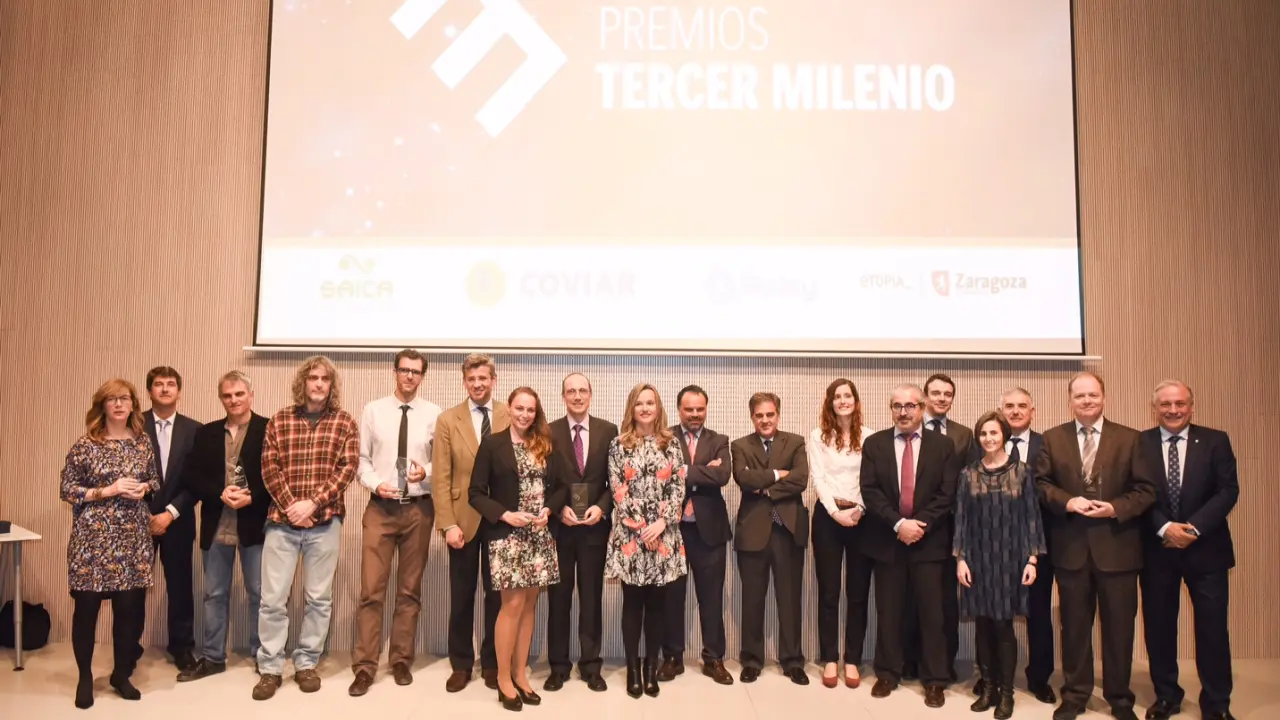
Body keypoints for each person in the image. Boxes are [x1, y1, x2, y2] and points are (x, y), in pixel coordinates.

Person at [1035, 371, 1155, 720]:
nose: (1086, 401)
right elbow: (1040, 484)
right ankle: (1075, 695)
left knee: (1119, 629)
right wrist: (1068, 501)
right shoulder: (1052, 439)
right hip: (1071, 551)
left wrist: (1115, 508)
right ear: (1070, 400)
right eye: (1079, 396)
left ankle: (1119, 698)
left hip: (1118, 550)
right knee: (1074, 628)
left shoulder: (1130, 439)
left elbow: (1146, 490)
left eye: (1092, 395)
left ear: (1104, 397)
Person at [252, 356, 359, 701]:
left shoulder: (344, 422)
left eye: (325, 379)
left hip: (325, 522)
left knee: (319, 599)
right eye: (313, 378)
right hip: (281, 523)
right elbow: (269, 468)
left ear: (331, 385)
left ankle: (306, 662)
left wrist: (312, 503)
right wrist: (292, 506)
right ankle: (270, 667)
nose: (318, 384)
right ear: (303, 382)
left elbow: (347, 469)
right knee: (272, 599)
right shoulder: (280, 420)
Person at [1139, 380, 1238, 720]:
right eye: (1165, 404)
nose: (1173, 410)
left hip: (1207, 551)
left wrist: (1193, 529)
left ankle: (1217, 703)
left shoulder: (1215, 440)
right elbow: (1136, 493)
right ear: (1155, 408)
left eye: (1180, 403)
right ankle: (1167, 697)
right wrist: (1165, 527)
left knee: (1213, 630)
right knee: (1160, 628)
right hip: (1157, 550)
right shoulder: (1139, 443)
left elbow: (1228, 491)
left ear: (1191, 406)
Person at [60, 379, 160, 709]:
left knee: (129, 612)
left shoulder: (143, 442)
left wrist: (144, 489)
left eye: (124, 398)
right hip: (93, 541)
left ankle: (120, 674)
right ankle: (85, 677)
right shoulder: (86, 444)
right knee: (86, 611)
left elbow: (154, 480)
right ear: (102, 405)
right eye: (112, 399)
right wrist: (108, 490)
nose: (118, 404)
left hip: (133, 539)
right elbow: (67, 489)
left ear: (133, 405)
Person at [860, 383, 958, 709]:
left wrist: (919, 525)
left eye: (910, 406)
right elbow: (870, 490)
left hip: (929, 543)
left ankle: (935, 680)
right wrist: (899, 524)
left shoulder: (943, 445)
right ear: (891, 409)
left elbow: (946, 493)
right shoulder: (875, 444)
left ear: (922, 408)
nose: (903, 412)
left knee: (932, 615)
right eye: (897, 406)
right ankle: (888, 673)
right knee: (889, 612)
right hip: (888, 541)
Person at [349, 349, 442, 696]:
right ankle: (365, 666)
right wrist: (377, 484)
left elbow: (442, 461)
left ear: (422, 376)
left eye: (416, 372)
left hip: (418, 509)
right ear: (395, 372)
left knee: (409, 591)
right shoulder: (373, 410)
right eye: (404, 370)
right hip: (381, 509)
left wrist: (425, 471)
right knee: (371, 591)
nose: (409, 377)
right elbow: (361, 460)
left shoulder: (434, 413)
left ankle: (401, 659)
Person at [469, 387, 564, 711]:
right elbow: (475, 493)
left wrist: (548, 510)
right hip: (507, 536)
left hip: (539, 536)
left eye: (530, 410)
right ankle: (503, 679)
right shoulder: (492, 444)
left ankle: (521, 674)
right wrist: (505, 514)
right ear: (508, 409)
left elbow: (562, 487)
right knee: (511, 606)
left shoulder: (545, 444)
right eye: (519, 408)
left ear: (536, 413)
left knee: (529, 605)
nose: (525, 414)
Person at [178, 371, 271, 682]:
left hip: (254, 525)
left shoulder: (268, 429)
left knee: (260, 594)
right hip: (216, 526)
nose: (234, 400)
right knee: (214, 594)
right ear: (221, 399)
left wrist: (252, 496)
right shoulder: (206, 433)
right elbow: (191, 475)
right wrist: (219, 491)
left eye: (239, 394)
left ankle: (263, 657)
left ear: (251, 395)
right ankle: (213, 658)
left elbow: (277, 474)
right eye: (228, 396)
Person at [955, 411, 1046, 719]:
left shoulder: (1022, 471)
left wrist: (1032, 558)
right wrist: (961, 559)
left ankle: (1007, 694)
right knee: (982, 624)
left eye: (994, 433)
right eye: (983, 434)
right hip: (977, 558)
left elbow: (1032, 516)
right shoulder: (968, 473)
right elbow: (961, 519)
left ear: (1005, 435)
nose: (988, 438)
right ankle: (989, 688)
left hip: (1011, 558)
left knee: (1004, 625)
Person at [606, 383, 687, 699]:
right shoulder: (618, 445)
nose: (645, 408)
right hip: (631, 535)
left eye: (650, 403)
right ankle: (633, 669)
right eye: (639, 403)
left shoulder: (671, 443)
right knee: (632, 605)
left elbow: (678, 487)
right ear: (632, 407)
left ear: (658, 407)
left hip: (664, 535)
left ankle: (651, 668)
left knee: (656, 606)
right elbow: (617, 490)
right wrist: (643, 529)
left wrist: (661, 524)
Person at [432, 353, 508, 692]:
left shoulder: (510, 414)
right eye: (472, 379)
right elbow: (441, 477)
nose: (478, 384)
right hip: (462, 520)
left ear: (493, 380)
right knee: (462, 596)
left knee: (498, 596)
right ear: (464, 382)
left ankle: (492, 662)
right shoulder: (448, 420)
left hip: (501, 519)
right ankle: (461, 664)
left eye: (483, 378)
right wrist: (447, 524)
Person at [545, 373, 617, 692]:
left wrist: (601, 507)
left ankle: (591, 666)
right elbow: (543, 480)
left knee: (591, 599)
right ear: (563, 396)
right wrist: (557, 508)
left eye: (582, 390)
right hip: (560, 530)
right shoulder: (548, 432)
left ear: (591, 394)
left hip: (593, 530)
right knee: (559, 599)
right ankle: (558, 666)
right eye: (571, 391)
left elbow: (615, 480)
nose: (577, 396)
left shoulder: (608, 431)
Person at [657, 384, 734, 685]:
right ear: (679, 410)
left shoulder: (719, 440)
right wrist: (703, 470)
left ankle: (713, 659)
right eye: (689, 409)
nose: (694, 414)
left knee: (711, 598)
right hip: (672, 530)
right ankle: (672, 658)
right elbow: (660, 476)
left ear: (706, 409)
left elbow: (722, 475)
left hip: (709, 531)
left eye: (700, 409)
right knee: (671, 597)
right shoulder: (664, 438)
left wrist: (683, 470)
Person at [732, 392, 810, 686]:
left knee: (790, 600)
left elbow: (801, 479)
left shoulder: (796, 442)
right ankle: (752, 660)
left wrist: (764, 487)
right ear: (752, 417)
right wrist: (779, 474)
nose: (765, 420)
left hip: (787, 530)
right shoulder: (740, 445)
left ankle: (792, 661)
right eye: (759, 415)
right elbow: (744, 479)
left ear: (778, 414)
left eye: (770, 414)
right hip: (753, 532)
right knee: (752, 600)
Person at [808, 379, 875, 689]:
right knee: (829, 592)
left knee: (858, 593)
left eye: (848, 395)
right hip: (828, 517)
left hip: (863, 517)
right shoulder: (818, 436)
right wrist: (836, 513)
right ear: (830, 402)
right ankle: (830, 658)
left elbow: (871, 479)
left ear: (856, 401)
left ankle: (852, 659)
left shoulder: (871, 438)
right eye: (837, 396)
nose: (843, 401)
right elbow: (818, 479)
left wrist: (859, 508)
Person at [906, 372, 970, 683]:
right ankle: (911, 660)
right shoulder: (908, 428)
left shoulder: (963, 435)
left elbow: (966, 483)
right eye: (936, 393)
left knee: (944, 602)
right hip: (907, 527)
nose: (942, 398)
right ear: (924, 397)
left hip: (946, 527)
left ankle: (944, 663)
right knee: (910, 598)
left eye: (948, 394)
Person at [997, 387, 1056, 705]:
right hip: (994, 545)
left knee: (1038, 612)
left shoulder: (1049, 445)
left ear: (1033, 411)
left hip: (1038, 544)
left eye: (1022, 406)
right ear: (1001, 411)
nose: (1015, 411)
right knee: (994, 613)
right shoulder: (987, 442)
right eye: (1009, 406)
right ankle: (993, 676)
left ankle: (1039, 677)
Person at [141, 366, 202, 671]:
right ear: (149, 391)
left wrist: (169, 514)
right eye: (158, 384)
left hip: (178, 521)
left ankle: (182, 648)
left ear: (179, 391)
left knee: (180, 587)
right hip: (137, 522)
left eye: (170, 384)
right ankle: (128, 648)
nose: (164, 389)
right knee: (132, 590)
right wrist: (147, 514)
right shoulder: (132, 426)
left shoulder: (196, 431)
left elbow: (198, 481)